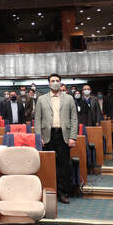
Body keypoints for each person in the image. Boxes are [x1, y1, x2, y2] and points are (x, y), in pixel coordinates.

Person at [35, 73, 78, 204]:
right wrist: (39, 137)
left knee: (64, 166)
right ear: (49, 83)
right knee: (49, 166)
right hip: (48, 136)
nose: (55, 83)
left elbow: (74, 119)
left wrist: (73, 137)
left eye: (57, 80)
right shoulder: (41, 99)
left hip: (63, 136)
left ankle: (63, 193)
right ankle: (50, 192)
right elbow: (37, 120)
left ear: (60, 82)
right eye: (52, 81)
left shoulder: (69, 98)